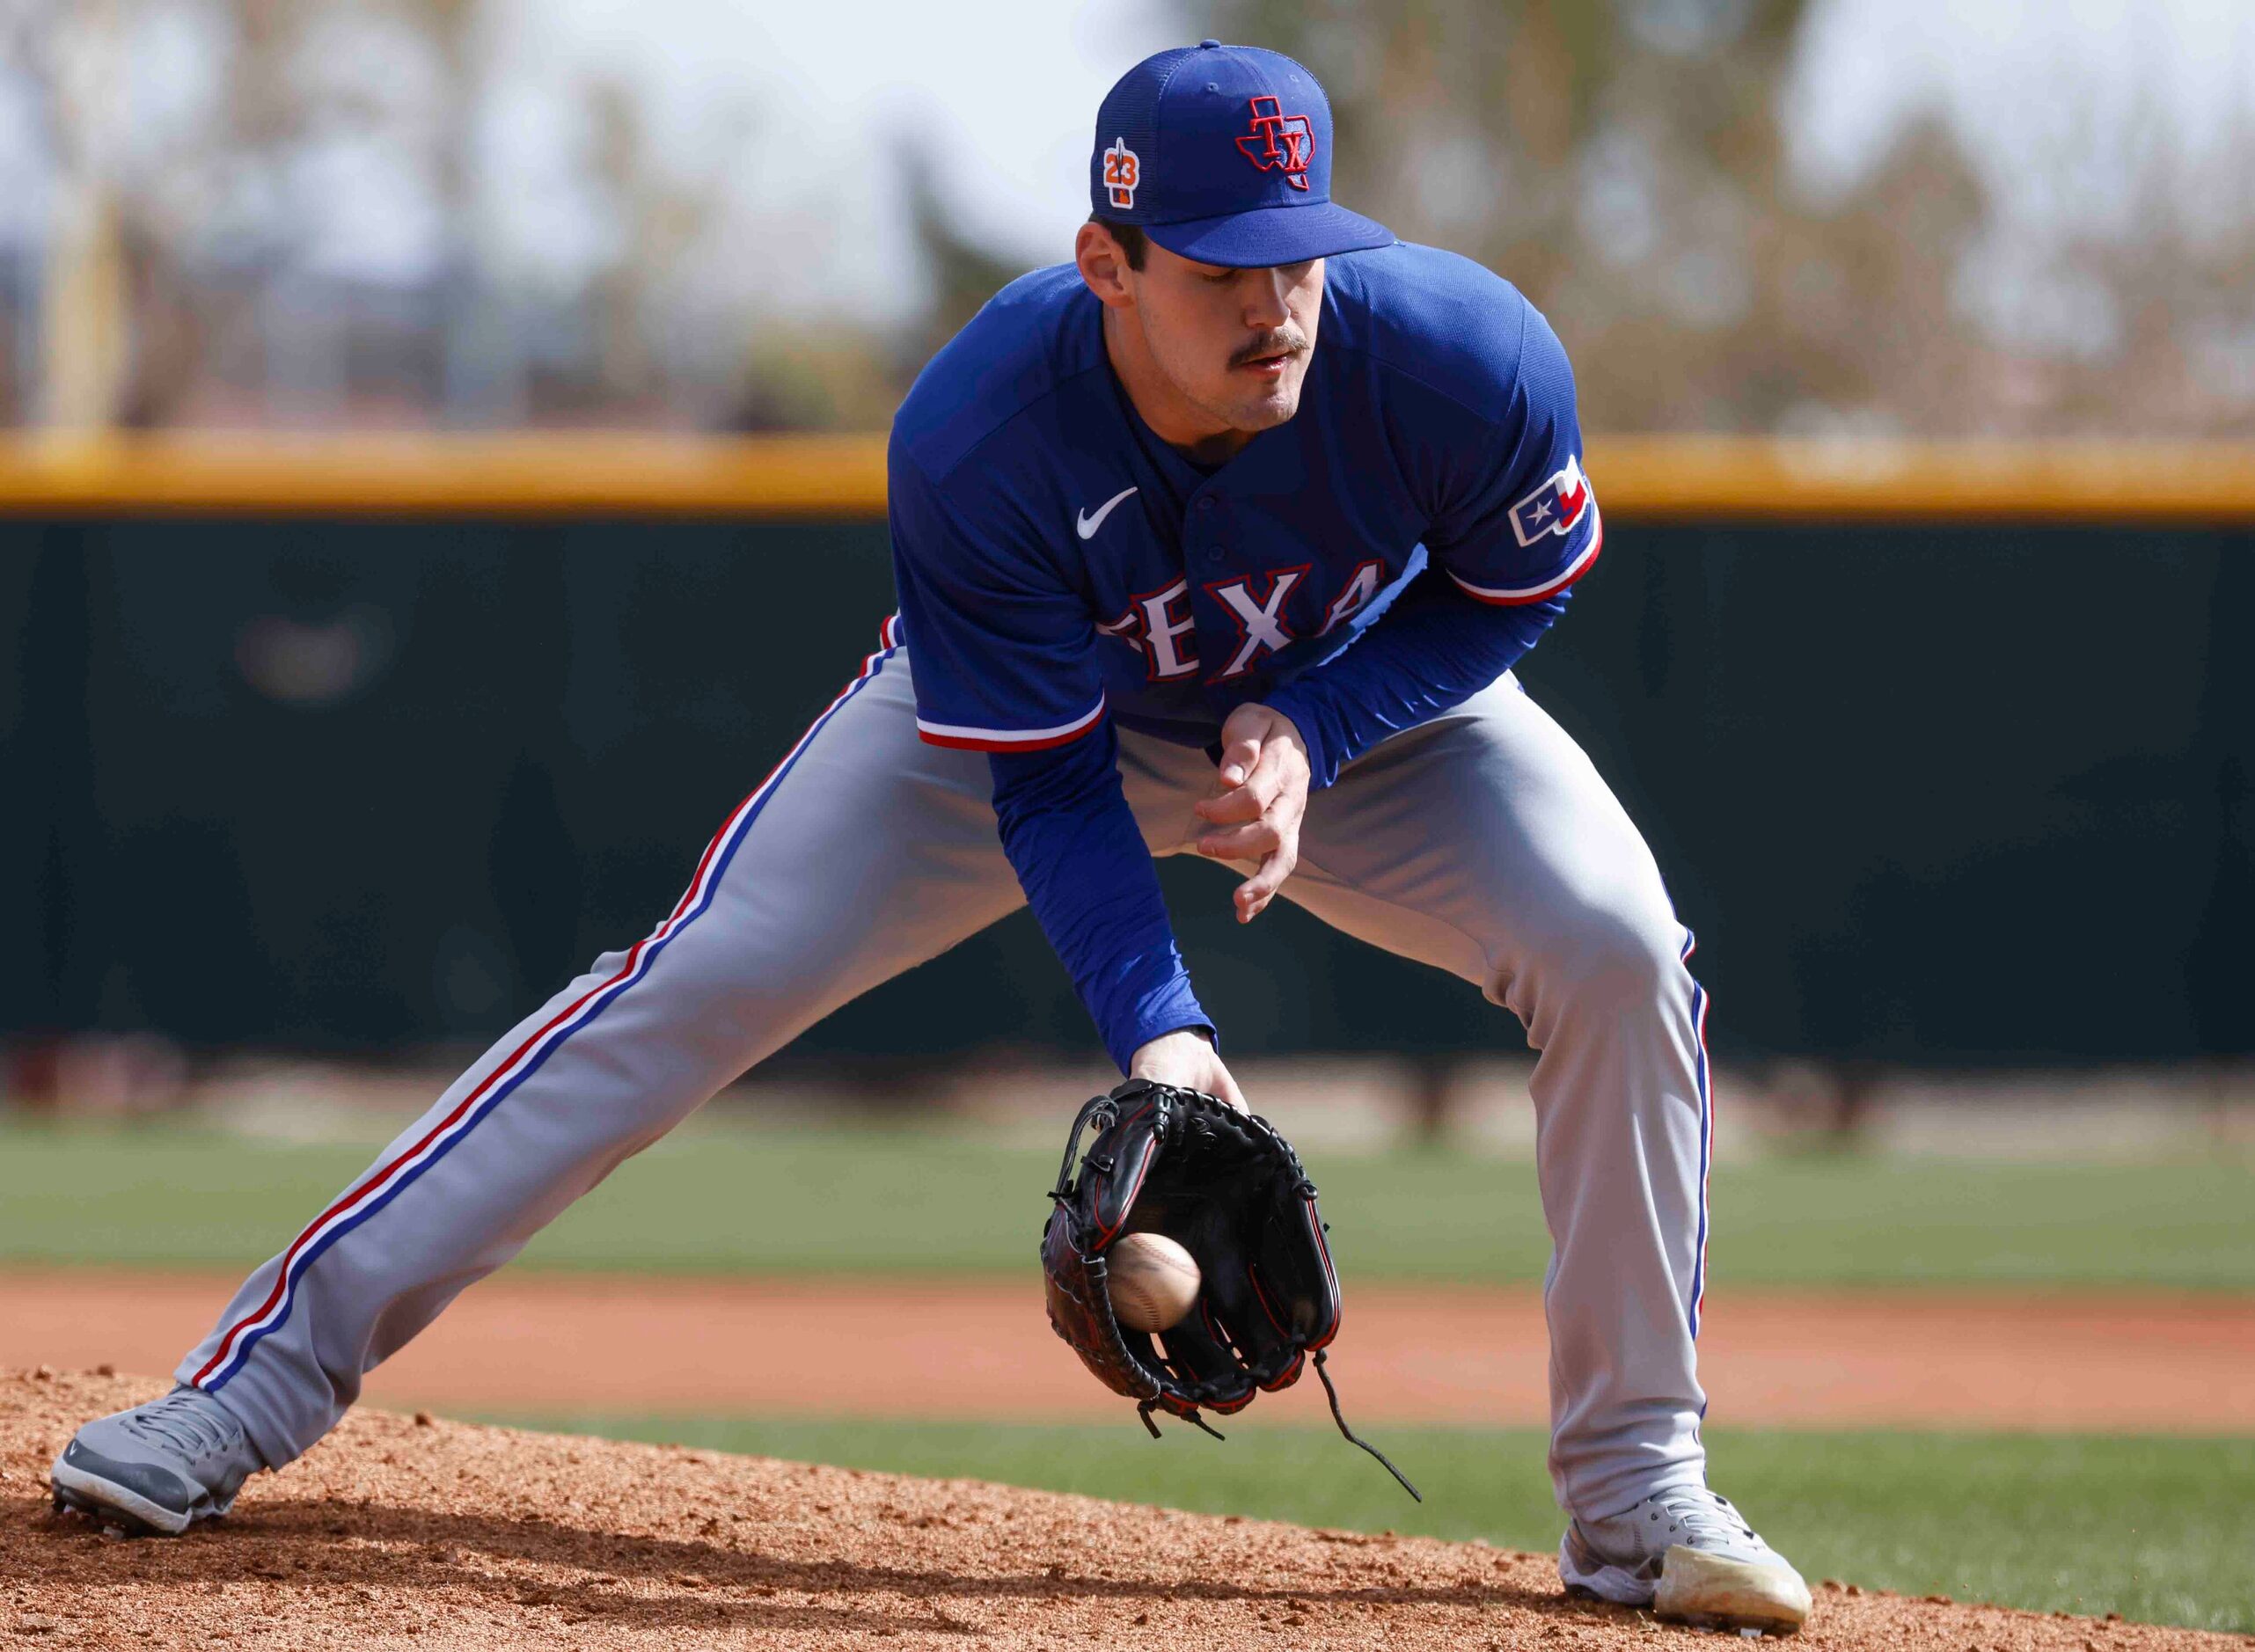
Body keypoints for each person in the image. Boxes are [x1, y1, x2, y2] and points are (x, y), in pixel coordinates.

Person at [54, 40, 1809, 1634]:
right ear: (1104, 264)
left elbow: (1517, 582)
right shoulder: (985, 430)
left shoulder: (1458, 357)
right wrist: (1167, 1033)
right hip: (1042, 727)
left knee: (1618, 951)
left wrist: (1320, 720)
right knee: (685, 988)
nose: (1275, 302)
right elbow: (1045, 789)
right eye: (1219, 265)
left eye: (1299, 251)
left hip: (1365, 721)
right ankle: (256, 1385)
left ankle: (1637, 1498)